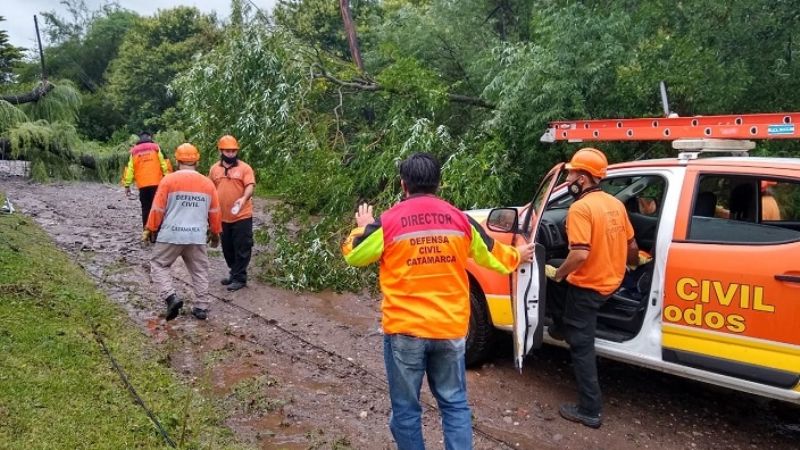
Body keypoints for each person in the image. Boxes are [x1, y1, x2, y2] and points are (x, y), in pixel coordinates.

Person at [341, 153, 535, 450]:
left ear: (403, 184)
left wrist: (363, 225)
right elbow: (493, 255)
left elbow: (354, 254)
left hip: (406, 331)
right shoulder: (460, 219)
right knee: (454, 405)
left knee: (406, 410)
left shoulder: (389, 221)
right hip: (450, 329)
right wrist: (518, 256)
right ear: (438, 183)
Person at [545, 147, 638, 429]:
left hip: (589, 287)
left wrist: (560, 274)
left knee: (581, 346)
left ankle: (590, 410)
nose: (569, 178)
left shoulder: (580, 209)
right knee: (554, 277)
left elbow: (580, 255)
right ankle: (559, 326)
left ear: (582, 179)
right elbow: (631, 246)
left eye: (571, 173)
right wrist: (631, 267)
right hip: (613, 280)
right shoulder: (614, 204)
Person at [144, 143, 222, 321]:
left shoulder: (168, 180)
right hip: (196, 235)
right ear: (197, 160)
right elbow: (215, 212)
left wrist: (150, 228)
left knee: (158, 264)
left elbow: (157, 208)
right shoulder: (207, 183)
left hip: (171, 234)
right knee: (199, 270)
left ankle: (171, 297)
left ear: (177, 159)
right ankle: (201, 307)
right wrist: (216, 232)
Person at [208, 135, 255, 292]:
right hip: (222, 217)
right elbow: (210, 189)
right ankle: (233, 272)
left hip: (242, 215)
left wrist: (243, 199)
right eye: (228, 151)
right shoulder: (215, 169)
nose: (231, 154)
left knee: (242, 246)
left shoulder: (245, 168)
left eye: (234, 151)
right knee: (228, 248)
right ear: (221, 151)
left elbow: (250, 186)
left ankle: (240, 277)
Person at [121, 131, 172, 226]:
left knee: (145, 207)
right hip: (156, 183)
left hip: (142, 185)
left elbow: (130, 169)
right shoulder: (156, 147)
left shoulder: (134, 151)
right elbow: (163, 164)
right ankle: (156, 229)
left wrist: (127, 185)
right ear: (150, 137)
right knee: (157, 206)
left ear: (140, 139)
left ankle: (146, 229)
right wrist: (167, 177)